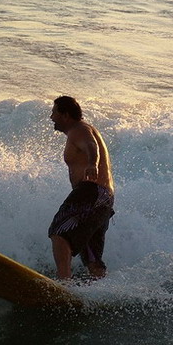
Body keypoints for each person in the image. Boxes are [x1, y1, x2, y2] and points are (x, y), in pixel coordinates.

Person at [47, 96, 115, 281]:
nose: (51, 117)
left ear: (65, 115)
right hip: (103, 197)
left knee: (59, 231)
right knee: (91, 255)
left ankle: (63, 284)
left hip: (92, 192)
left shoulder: (79, 130)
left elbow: (92, 147)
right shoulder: (82, 130)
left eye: (54, 112)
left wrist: (92, 163)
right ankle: (98, 296)